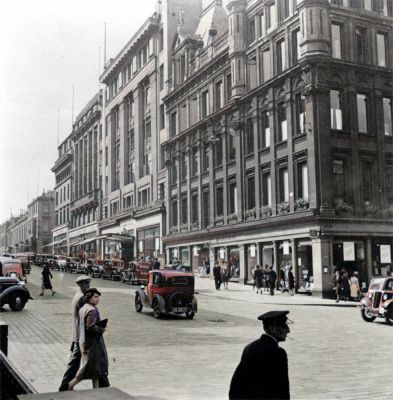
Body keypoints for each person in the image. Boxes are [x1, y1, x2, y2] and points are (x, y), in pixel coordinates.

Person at [229, 310, 291, 400]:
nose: (288, 330)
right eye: (284, 326)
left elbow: (236, 385)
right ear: (272, 328)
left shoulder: (250, 348)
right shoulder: (278, 353)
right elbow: (281, 390)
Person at [59, 275, 96, 391]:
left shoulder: (79, 295)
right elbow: (85, 317)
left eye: (88, 284)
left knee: (75, 363)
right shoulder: (81, 298)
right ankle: (65, 386)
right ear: (80, 285)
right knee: (77, 363)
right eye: (86, 284)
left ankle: (66, 386)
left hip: (78, 334)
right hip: (81, 336)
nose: (88, 286)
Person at [68, 288, 109, 390]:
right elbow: (91, 327)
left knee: (95, 371)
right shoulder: (92, 311)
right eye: (95, 297)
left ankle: (96, 391)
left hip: (84, 342)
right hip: (92, 344)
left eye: (98, 297)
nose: (97, 299)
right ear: (89, 298)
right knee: (86, 370)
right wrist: (101, 329)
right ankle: (69, 386)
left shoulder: (83, 308)